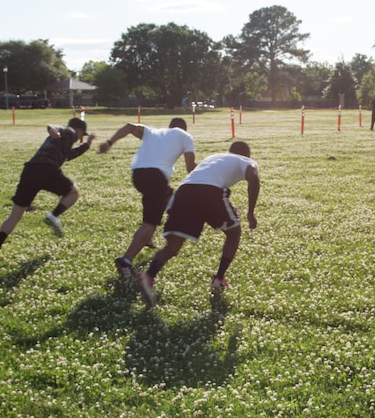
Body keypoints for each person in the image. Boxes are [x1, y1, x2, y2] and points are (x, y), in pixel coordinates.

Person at [135, 141, 259, 307]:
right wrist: (250, 212)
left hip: (184, 191)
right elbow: (253, 178)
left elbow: (203, 177)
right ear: (246, 155)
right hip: (209, 191)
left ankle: (149, 275)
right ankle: (219, 278)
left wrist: (223, 202)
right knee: (234, 232)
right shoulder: (246, 161)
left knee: (173, 245)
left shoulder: (214, 157)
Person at [98, 118, 196, 278]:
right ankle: (126, 260)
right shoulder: (185, 136)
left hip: (138, 174)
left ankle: (148, 239)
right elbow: (190, 167)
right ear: (184, 129)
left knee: (168, 196)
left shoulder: (154, 132)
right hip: (155, 177)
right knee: (150, 222)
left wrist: (109, 142)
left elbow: (129, 127)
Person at [0, 118, 95, 258]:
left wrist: (87, 145)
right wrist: (52, 130)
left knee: (16, 215)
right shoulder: (69, 132)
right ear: (79, 130)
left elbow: (68, 155)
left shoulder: (61, 142)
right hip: (46, 170)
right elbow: (55, 127)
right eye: (82, 135)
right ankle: (53, 215)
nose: (80, 138)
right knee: (73, 192)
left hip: (29, 171)